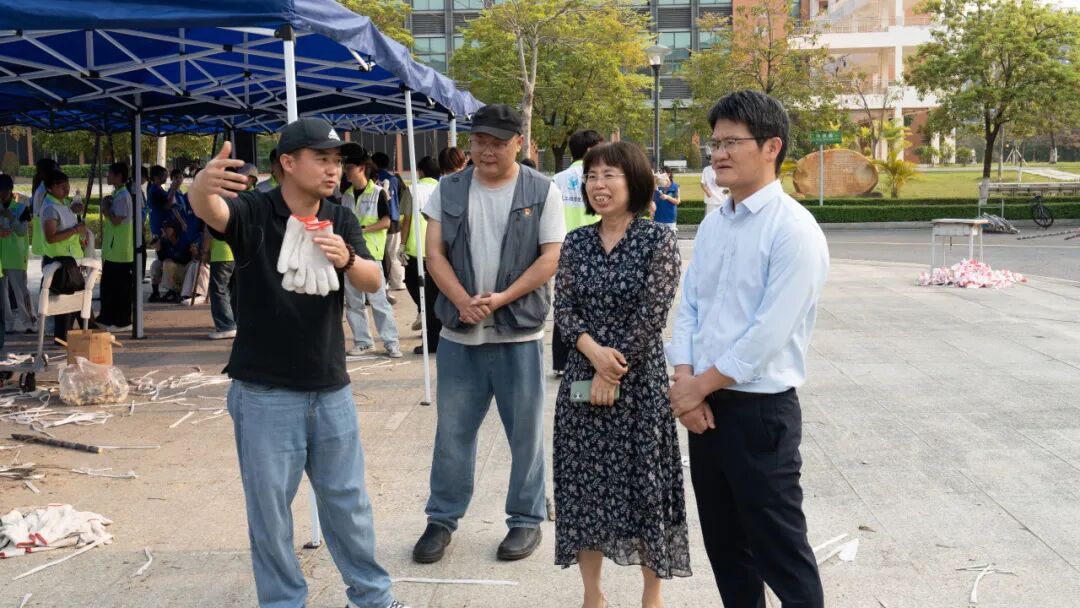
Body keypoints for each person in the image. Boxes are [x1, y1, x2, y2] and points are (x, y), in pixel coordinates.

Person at [188, 117, 411, 608]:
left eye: (337, 161)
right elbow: (211, 210)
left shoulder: (340, 217)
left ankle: (372, 598)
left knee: (348, 503)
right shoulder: (255, 210)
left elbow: (373, 279)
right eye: (322, 159)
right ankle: (284, 601)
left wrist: (346, 259)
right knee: (270, 513)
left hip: (330, 386)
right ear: (288, 162)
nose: (333, 170)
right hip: (264, 392)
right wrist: (201, 185)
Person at [667, 90, 829, 608]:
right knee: (726, 549)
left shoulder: (793, 229)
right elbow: (690, 306)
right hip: (705, 410)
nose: (718, 154)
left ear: (771, 147)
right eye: (715, 144)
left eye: (731, 142)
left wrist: (696, 388)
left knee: (781, 552)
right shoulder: (716, 222)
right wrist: (685, 381)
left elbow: (768, 334)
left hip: (760, 415)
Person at [412, 103, 565, 564]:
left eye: (497, 142)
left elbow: (550, 257)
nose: (486, 150)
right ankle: (441, 519)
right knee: (452, 434)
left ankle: (525, 519)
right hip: (461, 336)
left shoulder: (541, 190)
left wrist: (499, 299)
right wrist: (462, 301)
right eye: (478, 141)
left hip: (518, 336)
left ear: (519, 143)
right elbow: (434, 254)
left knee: (525, 435)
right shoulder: (448, 188)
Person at [552, 141, 689, 608]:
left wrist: (611, 372)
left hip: (639, 382)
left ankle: (652, 595)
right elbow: (564, 310)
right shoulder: (576, 242)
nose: (599, 184)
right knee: (583, 488)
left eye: (610, 175)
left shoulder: (657, 240)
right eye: (592, 176)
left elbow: (653, 315)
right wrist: (593, 354)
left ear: (634, 181)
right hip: (581, 375)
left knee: (643, 487)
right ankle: (592, 595)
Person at [550, 129, 603, 376]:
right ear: (590, 150)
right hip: (596, 247)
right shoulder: (599, 177)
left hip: (564, 250)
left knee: (565, 306)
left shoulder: (557, 179)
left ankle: (561, 362)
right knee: (595, 306)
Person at [341, 156, 402, 358]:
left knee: (379, 301)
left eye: (349, 167)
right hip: (350, 255)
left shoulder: (378, 192)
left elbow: (386, 222)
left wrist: (363, 229)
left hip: (371, 254)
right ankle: (363, 342)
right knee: (354, 302)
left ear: (361, 168)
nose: (345, 170)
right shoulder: (346, 195)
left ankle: (391, 342)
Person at [40, 170, 88, 343]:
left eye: (67, 186)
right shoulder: (50, 208)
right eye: (62, 187)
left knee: (76, 299)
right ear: (50, 188)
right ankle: (76, 334)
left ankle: (70, 335)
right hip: (59, 263)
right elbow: (51, 237)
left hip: (70, 260)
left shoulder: (62, 203)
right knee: (72, 300)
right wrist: (75, 230)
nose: (66, 190)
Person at [399, 156, 440, 353]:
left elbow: (406, 220)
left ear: (420, 171)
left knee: (413, 284)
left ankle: (423, 314)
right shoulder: (443, 188)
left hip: (416, 248)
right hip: (437, 249)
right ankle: (424, 314)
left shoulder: (413, 190)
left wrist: (401, 244)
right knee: (433, 293)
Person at [97, 162, 134, 332]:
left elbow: (117, 220)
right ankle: (109, 318)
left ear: (119, 176)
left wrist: (106, 207)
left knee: (117, 288)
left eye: (110, 173)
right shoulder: (117, 194)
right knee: (111, 286)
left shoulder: (123, 196)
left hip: (120, 251)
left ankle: (121, 321)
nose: (107, 176)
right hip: (114, 250)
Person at [0, 175, 34, 333]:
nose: (2, 194)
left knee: (21, 291)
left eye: (5, 190)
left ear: (10, 190)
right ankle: (8, 324)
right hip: (1, 257)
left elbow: (21, 231)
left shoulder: (21, 208)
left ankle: (30, 322)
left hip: (16, 256)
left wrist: (11, 217)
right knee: (2, 293)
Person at [371, 152, 406, 294]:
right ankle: (398, 282)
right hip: (394, 219)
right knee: (394, 253)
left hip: (378, 219)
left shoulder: (373, 178)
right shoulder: (394, 179)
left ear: (374, 163)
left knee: (380, 253)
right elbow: (402, 197)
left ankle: (383, 282)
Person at [652, 166, 680, 231]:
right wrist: (654, 178)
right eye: (660, 173)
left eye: (663, 173)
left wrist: (667, 197)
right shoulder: (657, 185)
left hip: (670, 219)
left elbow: (677, 201)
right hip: (658, 218)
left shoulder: (675, 186)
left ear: (669, 174)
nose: (661, 175)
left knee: (670, 236)